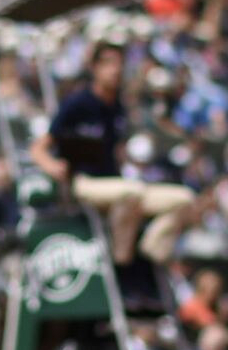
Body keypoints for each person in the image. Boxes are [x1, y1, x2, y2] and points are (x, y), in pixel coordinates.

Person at [31, 42, 194, 220]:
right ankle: (120, 249)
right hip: (84, 181)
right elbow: (39, 148)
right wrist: (53, 166)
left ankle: (150, 248)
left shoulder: (119, 107)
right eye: (108, 63)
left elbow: (123, 151)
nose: (115, 70)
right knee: (132, 192)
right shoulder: (78, 103)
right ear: (94, 68)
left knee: (184, 199)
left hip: (115, 181)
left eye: (119, 64)